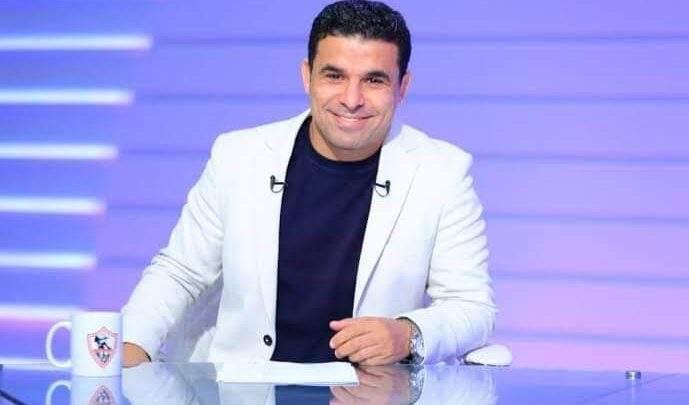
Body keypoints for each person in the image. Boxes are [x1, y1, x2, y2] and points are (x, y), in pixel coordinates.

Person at [122, 0, 495, 367]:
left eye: (374, 80)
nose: (352, 100)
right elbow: (180, 272)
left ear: (402, 87)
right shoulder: (238, 156)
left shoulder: (442, 173)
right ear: (307, 76)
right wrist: (130, 346)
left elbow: (471, 306)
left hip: (369, 389)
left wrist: (407, 334)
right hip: (241, 385)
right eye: (335, 76)